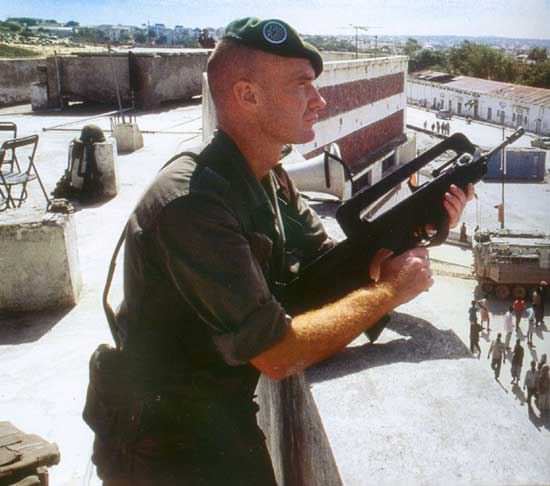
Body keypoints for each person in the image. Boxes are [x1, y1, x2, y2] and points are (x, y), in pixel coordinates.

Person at [82, 17, 473, 485]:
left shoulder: (265, 177)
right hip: (165, 451)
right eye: (301, 86)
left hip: (213, 420)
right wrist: (388, 292)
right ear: (247, 96)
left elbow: (328, 266)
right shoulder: (193, 202)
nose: (319, 100)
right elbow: (276, 353)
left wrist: (415, 230)